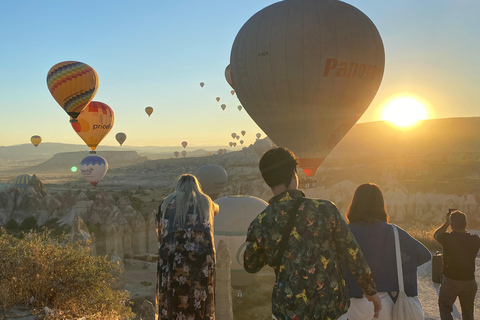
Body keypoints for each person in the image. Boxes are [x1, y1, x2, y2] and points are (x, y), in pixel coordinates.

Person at [243, 147, 382, 320]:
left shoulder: (261, 221)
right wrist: (370, 291)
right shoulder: (325, 210)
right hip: (329, 309)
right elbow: (352, 253)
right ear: (294, 174)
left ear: (267, 180)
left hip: (288, 310)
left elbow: (250, 265)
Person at [339, 183, 431, 320]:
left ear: (354, 205)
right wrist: (395, 268)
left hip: (351, 302)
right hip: (387, 301)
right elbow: (424, 255)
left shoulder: (343, 233)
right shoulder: (394, 233)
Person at [155, 174, 219, 320]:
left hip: (173, 259)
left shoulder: (166, 202)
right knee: (198, 296)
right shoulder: (206, 201)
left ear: (178, 185)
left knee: (174, 295)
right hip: (200, 259)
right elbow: (216, 211)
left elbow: (160, 230)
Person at [434, 210, 480, 320]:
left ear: (452, 225)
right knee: (468, 313)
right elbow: (465, 236)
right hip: (469, 281)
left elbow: (436, 235)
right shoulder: (475, 239)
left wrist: (446, 223)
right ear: (466, 224)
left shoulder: (447, 238)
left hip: (450, 281)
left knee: (445, 308)